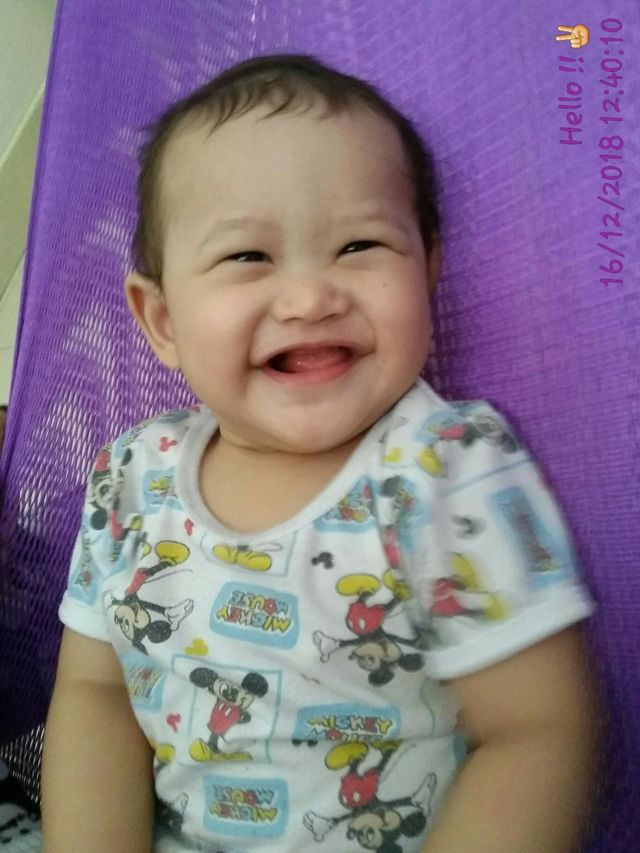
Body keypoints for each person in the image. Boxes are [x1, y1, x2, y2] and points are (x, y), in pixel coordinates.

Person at [41, 54, 603, 853]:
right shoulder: (130, 478)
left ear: (428, 272)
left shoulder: (443, 471)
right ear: (161, 320)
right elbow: (96, 696)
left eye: (360, 244)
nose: (310, 297)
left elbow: (539, 733)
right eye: (248, 257)